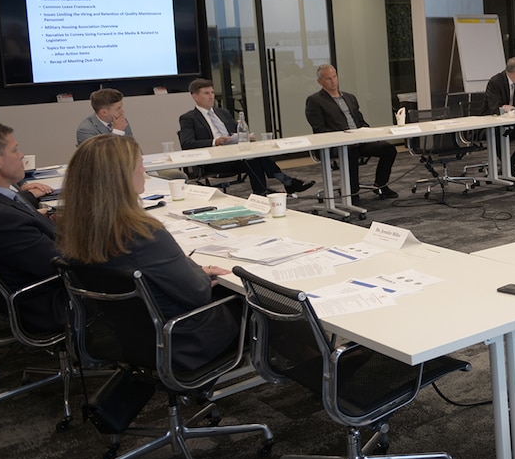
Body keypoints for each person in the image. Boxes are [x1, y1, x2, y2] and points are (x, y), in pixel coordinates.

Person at [55, 135, 240, 373]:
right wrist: (199, 275)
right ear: (121, 178)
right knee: (258, 304)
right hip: (183, 341)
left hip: (126, 336)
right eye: (139, 164)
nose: (144, 170)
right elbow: (198, 293)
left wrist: (195, 271)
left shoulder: (75, 229)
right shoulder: (144, 234)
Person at [177, 79, 314, 195]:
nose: (211, 96)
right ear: (195, 96)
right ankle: (280, 185)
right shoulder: (188, 118)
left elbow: (235, 133)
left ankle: (268, 190)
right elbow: (187, 143)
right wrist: (215, 142)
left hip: (235, 154)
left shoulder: (223, 113)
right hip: (214, 160)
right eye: (206, 93)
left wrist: (245, 137)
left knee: (255, 155)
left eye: (212, 92)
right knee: (252, 159)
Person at [0, 123, 66, 333]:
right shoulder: (2, 219)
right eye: (15, 150)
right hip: (50, 303)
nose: (21, 155)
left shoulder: (2, 204)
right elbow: (61, 263)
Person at [304, 64, 398, 199]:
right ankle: (352, 192)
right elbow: (320, 129)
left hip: (359, 139)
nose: (333, 81)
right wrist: (345, 136)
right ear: (320, 82)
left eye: (334, 77)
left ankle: (381, 185)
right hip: (337, 144)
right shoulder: (315, 100)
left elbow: (360, 121)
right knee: (350, 151)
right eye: (328, 79)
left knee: (389, 149)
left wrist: (368, 132)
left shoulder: (349, 97)